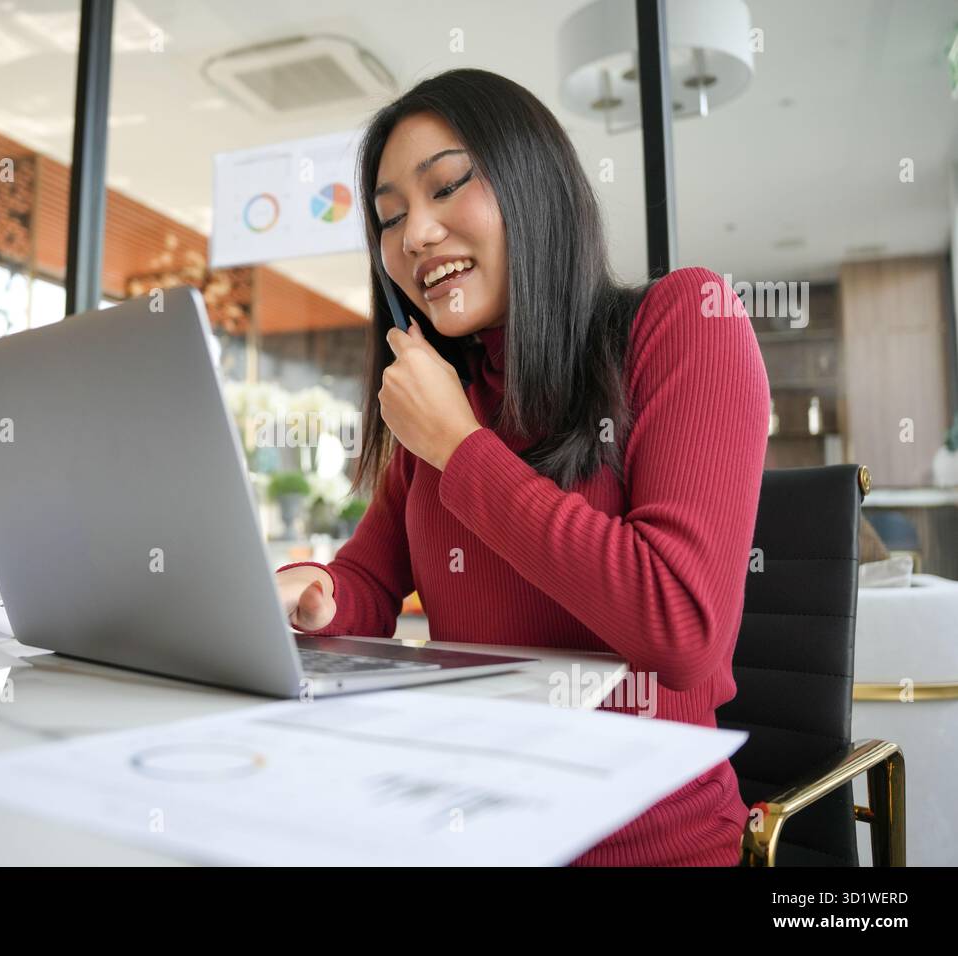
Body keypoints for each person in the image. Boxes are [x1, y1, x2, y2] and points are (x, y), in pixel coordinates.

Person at [274, 68, 770, 867]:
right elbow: (364, 586)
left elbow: (681, 630)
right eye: (390, 218)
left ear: (533, 185)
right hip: (472, 828)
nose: (415, 236)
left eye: (446, 188)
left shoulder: (681, 322)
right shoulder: (444, 399)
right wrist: (307, 596)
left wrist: (462, 450)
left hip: (654, 847)